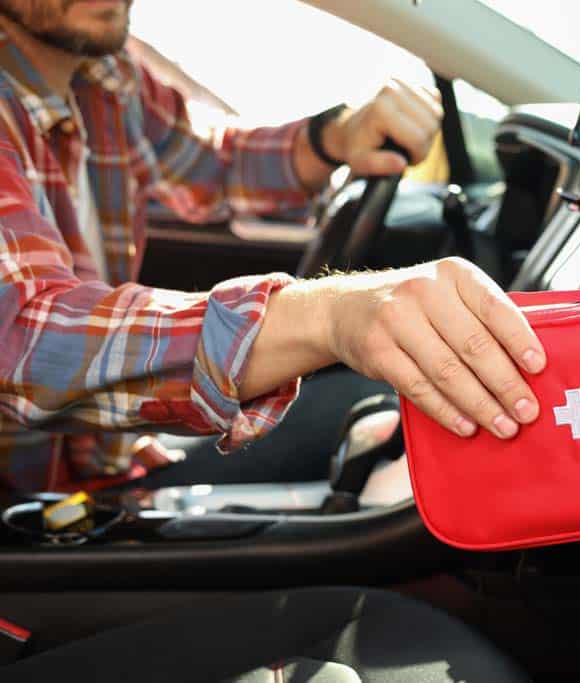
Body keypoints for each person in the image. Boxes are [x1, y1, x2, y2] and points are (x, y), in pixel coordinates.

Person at [0, 0, 547, 492]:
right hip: (24, 529)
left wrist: (335, 136)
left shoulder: (105, 79)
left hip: (106, 466)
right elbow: (22, 338)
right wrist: (324, 315)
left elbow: (211, 162)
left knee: (376, 415)